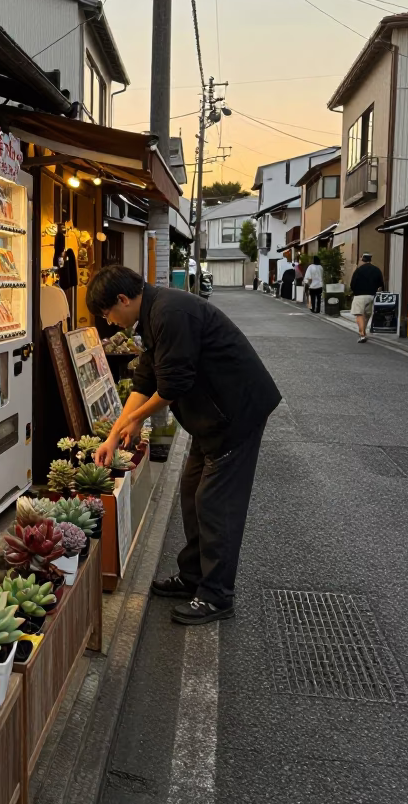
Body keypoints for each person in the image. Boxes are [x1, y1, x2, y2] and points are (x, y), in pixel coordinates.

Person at [86, 265, 281, 625]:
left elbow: (173, 385)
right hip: (212, 417)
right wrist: (114, 435)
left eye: (107, 314)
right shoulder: (154, 314)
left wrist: (134, 419)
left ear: (123, 299)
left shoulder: (171, 313)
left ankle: (216, 596)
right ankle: (193, 577)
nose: (110, 323)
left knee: (215, 502)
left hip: (236, 414)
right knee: (192, 491)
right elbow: (146, 378)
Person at [349, 252, 385, 343]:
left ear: (362, 259)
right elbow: (381, 284)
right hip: (371, 296)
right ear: (370, 260)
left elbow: (352, 284)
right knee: (366, 315)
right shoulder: (376, 270)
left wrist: (354, 291)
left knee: (359, 314)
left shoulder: (358, 270)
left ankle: (362, 334)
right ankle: (364, 332)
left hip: (359, 295)